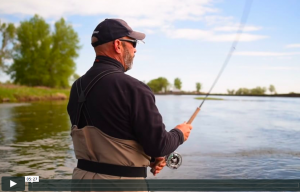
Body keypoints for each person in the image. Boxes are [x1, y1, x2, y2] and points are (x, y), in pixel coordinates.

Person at [67, 18, 193, 184]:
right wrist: (179, 133)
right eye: (133, 43)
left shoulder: (77, 87)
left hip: (80, 181)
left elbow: (111, 136)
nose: (135, 50)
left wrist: (150, 157)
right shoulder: (134, 88)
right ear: (118, 45)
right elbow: (159, 145)